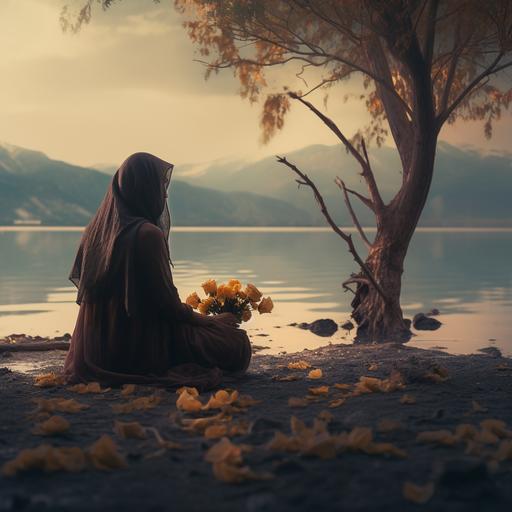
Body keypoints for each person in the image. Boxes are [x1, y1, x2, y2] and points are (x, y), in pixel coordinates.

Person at [64, 152, 251, 389]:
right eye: (159, 186)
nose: (164, 194)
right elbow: (168, 306)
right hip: (139, 349)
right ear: (144, 189)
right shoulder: (147, 234)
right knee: (238, 343)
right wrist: (210, 321)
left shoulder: (94, 232)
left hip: (97, 350)